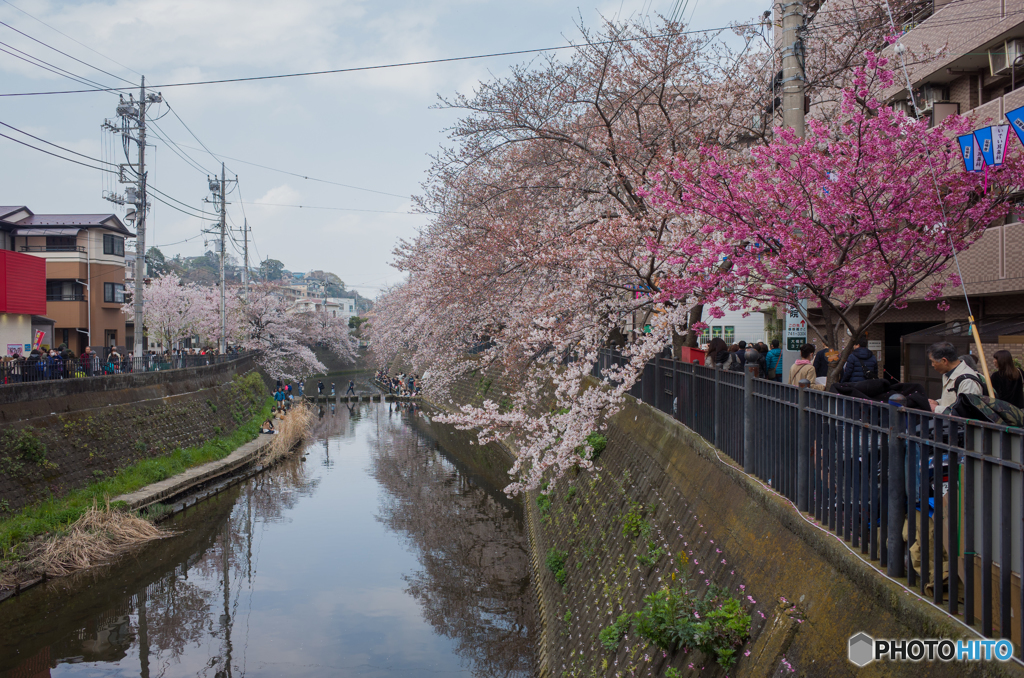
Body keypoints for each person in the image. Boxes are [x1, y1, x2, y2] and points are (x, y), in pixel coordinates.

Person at [926, 341, 983, 414]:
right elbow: (953, 401)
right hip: (948, 422)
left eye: (933, 361)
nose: (932, 365)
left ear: (944, 361)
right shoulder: (948, 374)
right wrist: (937, 402)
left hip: (959, 425)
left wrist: (936, 409)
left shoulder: (968, 381)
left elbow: (966, 412)